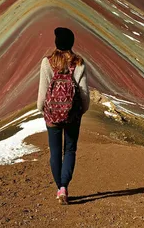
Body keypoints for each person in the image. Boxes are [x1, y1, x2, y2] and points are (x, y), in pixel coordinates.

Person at [37, 27, 90, 205]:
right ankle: (64, 187)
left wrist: (44, 110)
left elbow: (42, 93)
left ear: (57, 43)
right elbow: (84, 94)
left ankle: (59, 187)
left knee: (55, 152)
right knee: (69, 150)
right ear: (71, 43)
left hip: (52, 116)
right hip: (72, 116)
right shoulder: (79, 63)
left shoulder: (47, 63)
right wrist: (79, 111)